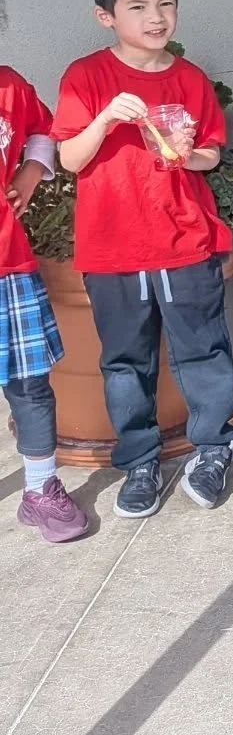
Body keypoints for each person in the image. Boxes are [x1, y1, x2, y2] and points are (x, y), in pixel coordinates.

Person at [52, 0, 233, 515]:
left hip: (184, 239)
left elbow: (211, 153)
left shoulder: (189, 79)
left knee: (203, 351)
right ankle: (139, 462)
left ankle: (212, 450)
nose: (156, 17)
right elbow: (70, 159)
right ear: (105, 15)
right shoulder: (86, 77)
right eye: (138, 6)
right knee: (124, 361)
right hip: (113, 247)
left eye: (166, 3)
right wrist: (106, 117)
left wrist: (188, 155)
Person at [0, 63, 87, 541]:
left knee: (29, 384)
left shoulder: (9, 87)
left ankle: (39, 489)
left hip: (7, 262)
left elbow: (41, 127)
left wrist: (32, 171)